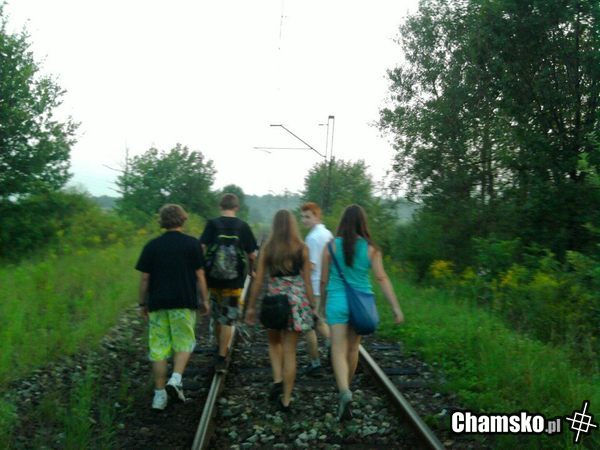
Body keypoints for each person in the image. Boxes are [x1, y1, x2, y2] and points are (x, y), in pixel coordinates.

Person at [320, 204, 404, 421]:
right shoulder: (371, 249)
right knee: (353, 347)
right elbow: (381, 278)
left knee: (338, 348)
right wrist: (395, 307)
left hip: (337, 302)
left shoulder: (330, 247)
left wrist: (320, 306)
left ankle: (344, 392)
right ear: (362, 223)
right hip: (361, 304)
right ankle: (347, 388)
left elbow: (323, 280)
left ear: (343, 223)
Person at [135, 204, 210, 410]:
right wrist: (204, 300)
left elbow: (144, 278)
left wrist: (142, 303)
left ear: (162, 221)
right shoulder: (192, 244)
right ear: (183, 219)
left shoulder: (152, 246)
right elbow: (200, 275)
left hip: (158, 303)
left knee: (159, 348)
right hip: (183, 302)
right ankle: (175, 379)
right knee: (184, 342)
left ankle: (159, 396)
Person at [245, 210, 315, 411]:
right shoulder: (302, 248)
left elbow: (258, 280)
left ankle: (277, 379)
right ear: (293, 225)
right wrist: (313, 306)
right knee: (290, 351)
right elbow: (307, 282)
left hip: (274, 301)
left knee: (273, 342)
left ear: (275, 226)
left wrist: (251, 307)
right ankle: (286, 400)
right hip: (296, 302)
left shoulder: (268, 248)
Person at [200, 193, 257, 373]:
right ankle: (222, 357)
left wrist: (201, 268)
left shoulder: (212, 224)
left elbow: (201, 247)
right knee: (228, 318)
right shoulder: (243, 226)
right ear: (236, 208)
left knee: (217, 315)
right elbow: (252, 255)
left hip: (213, 279)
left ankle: (219, 346)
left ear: (220, 206)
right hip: (234, 281)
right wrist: (251, 270)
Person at [299, 202, 333, 376]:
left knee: (308, 327)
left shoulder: (312, 238)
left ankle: (315, 364)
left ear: (317, 216)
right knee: (319, 320)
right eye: (302, 217)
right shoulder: (328, 234)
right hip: (326, 285)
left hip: (312, 286)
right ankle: (333, 346)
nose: (304, 220)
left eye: (308, 216)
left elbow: (310, 266)